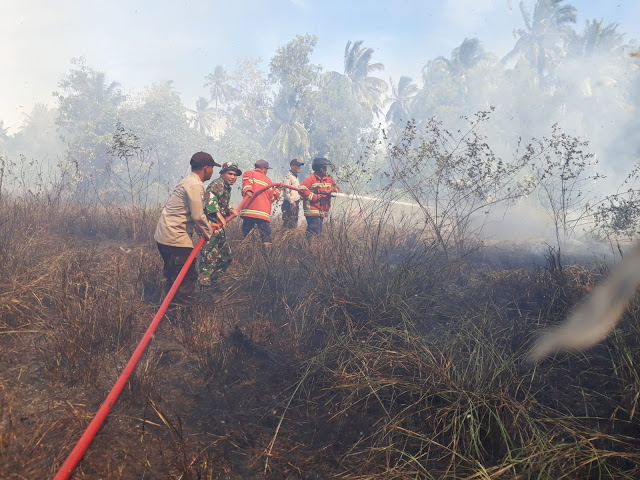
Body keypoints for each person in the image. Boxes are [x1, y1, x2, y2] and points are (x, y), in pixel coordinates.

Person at [154, 152, 220, 305]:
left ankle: (170, 311)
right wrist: (209, 232)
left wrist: (205, 227)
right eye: (212, 168)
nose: (212, 172)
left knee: (174, 277)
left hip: (164, 236)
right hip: (176, 239)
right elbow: (197, 215)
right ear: (206, 168)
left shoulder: (187, 181)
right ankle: (183, 318)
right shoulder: (195, 185)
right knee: (186, 279)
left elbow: (188, 213)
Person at [198, 162, 242, 290]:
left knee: (226, 256)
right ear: (222, 173)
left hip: (219, 229)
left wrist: (230, 210)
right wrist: (218, 215)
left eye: (235, 175)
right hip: (211, 227)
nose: (233, 177)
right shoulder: (217, 184)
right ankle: (204, 286)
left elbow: (221, 203)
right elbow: (210, 200)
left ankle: (214, 281)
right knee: (208, 257)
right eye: (230, 173)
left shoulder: (226, 187)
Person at [240, 159, 281, 247]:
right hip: (263, 213)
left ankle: (245, 254)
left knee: (246, 234)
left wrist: (247, 190)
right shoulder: (268, 180)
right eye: (267, 169)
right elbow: (272, 198)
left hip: (249, 211)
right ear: (263, 168)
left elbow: (247, 183)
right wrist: (278, 189)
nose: (267, 171)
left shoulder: (249, 173)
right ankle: (267, 257)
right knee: (265, 235)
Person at [298, 157, 340, 236]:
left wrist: (334, 190)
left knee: (316, 232)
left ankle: (305, 246)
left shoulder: (329, 179)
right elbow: (301, 189)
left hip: (322, 211)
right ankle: (307, 246)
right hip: (312, 210)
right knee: (314, 231)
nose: (326, 170)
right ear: (320, 168)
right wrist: (314, 197)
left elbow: (337, 189)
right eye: (324, 167)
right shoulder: (311, 179)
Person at [281, 158, 304, 229]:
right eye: (297, 166)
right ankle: (284, 239)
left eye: (300, 166)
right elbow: (286, 191)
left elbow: (294, 191)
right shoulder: (289, 177)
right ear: (292, 166)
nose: (299, 167)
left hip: (295, 203)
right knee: (288, 225)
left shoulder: (295, 177)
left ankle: (291, 239)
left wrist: (299, 196)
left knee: (293, 224)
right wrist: (292, 202)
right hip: (289, 204)